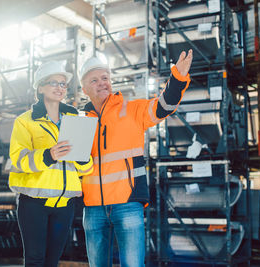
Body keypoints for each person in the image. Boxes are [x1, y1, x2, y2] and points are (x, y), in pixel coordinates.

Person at [79, 49, 193, 267]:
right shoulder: (79, 122)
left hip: (127, 203)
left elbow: (164, 106)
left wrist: (177, 78)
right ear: (84, 89)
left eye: (105, 78)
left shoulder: (131, 110)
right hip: (93, 208)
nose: (102, 83)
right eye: (94, 80)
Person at [8, 61, 94, 267]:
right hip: (34, 202)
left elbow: (85, 167)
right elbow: (18, 158)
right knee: (35, 260)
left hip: (64, 204)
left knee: (52, 261)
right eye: (54, 82)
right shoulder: (25, 121)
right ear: (40, 87)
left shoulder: (75, 119)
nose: (60, 87)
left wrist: (82, 158)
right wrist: (48, 155)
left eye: (63, 84)